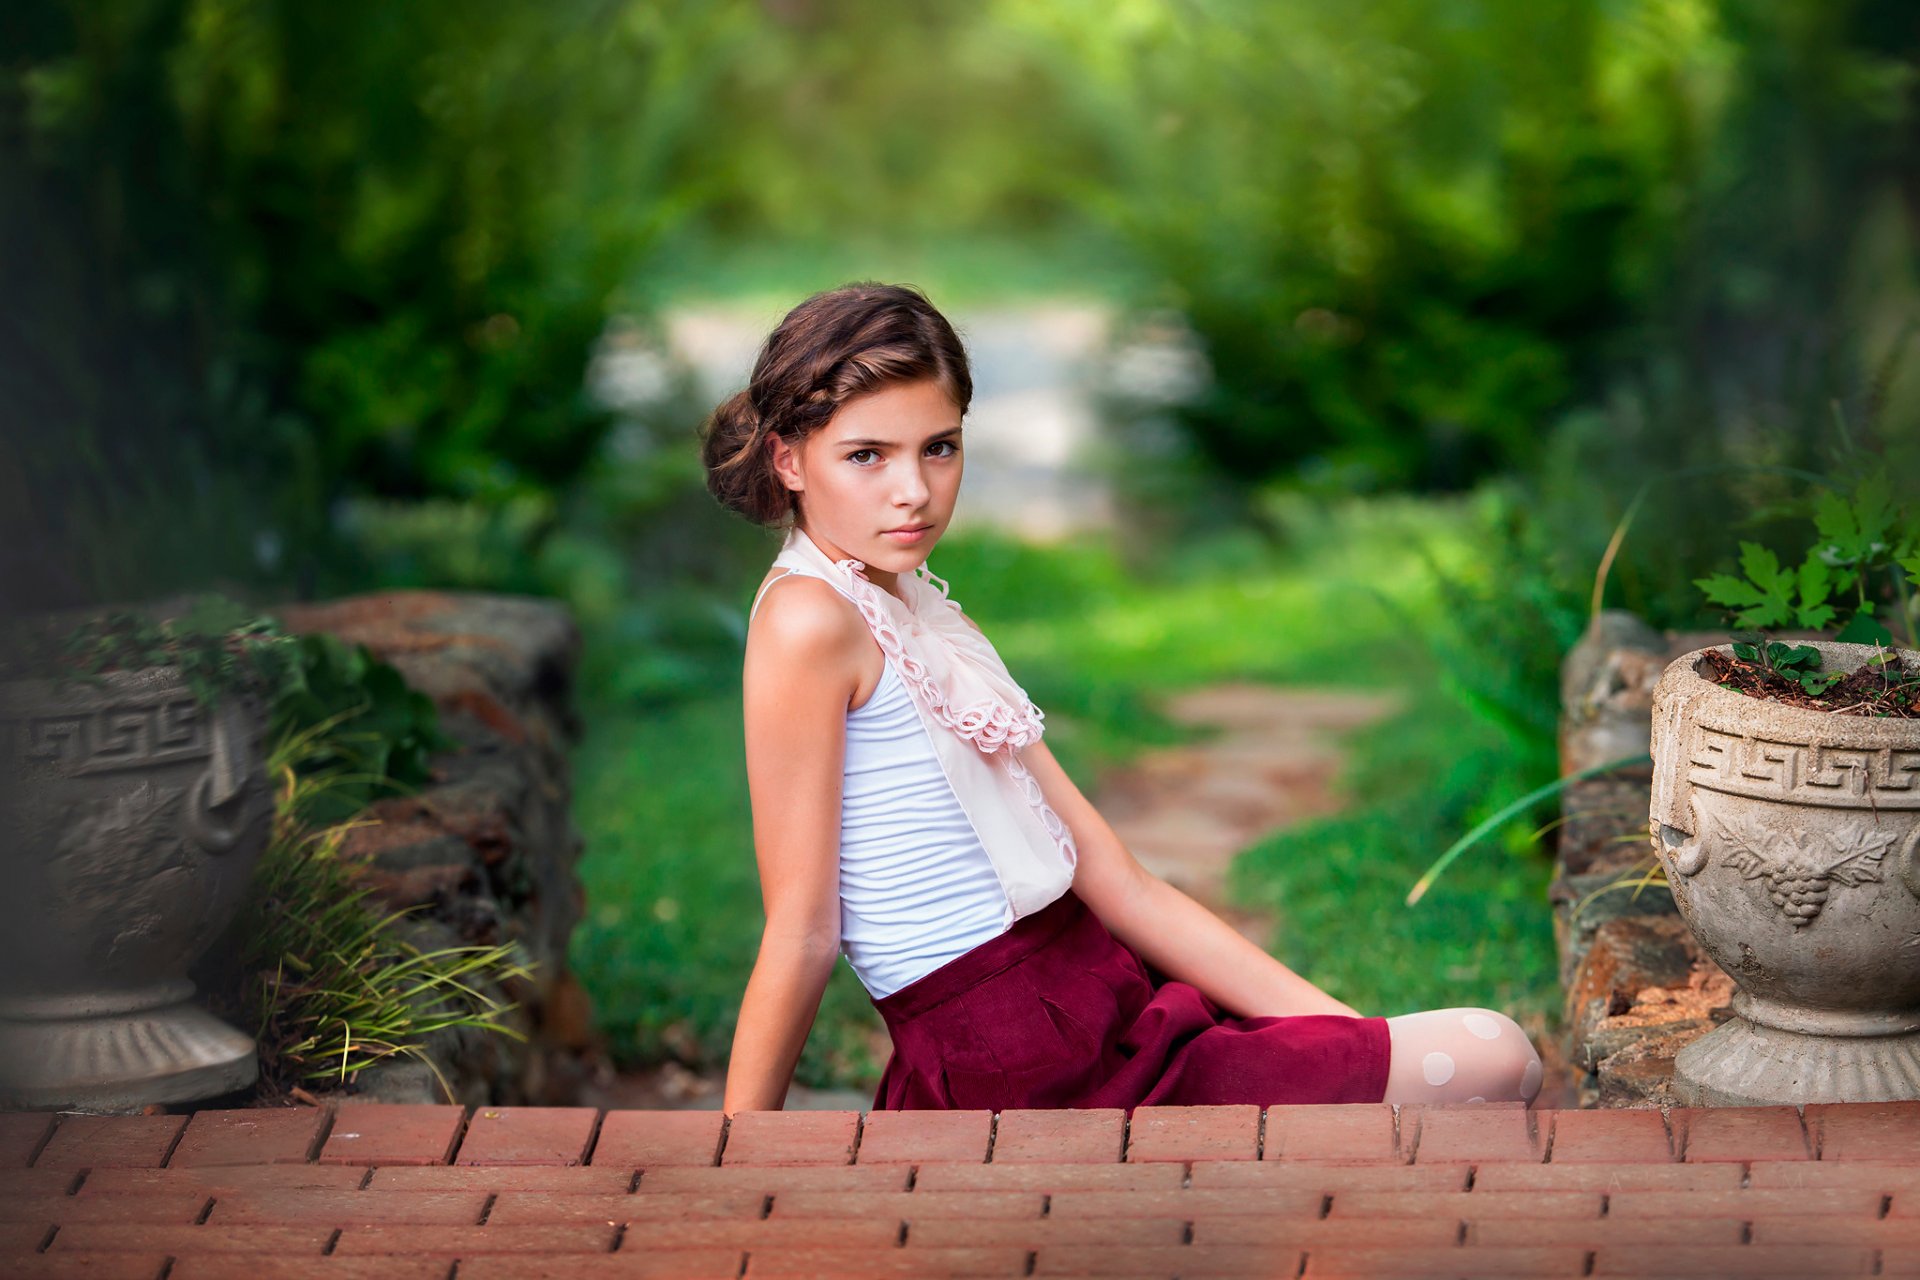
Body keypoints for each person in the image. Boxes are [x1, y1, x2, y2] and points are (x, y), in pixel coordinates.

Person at [700, 281, 1544, 1115]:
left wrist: (1352, 1037)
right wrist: (734, 1158)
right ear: (787, 459)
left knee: (1449, 1065)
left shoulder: (913, 604)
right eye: (866, 456)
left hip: (1101, 997)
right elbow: (802, 931)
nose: (914, 490)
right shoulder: (808, 618)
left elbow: (1116, 880)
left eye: (940, 448)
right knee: (1496, 1055)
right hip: (1027, 1064)